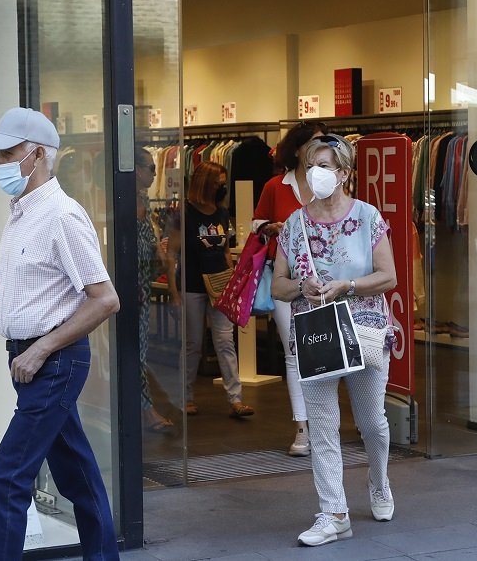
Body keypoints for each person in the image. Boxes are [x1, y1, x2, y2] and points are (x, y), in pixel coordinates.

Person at [0, 106, 121, 560]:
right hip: (32, 361)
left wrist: (41, 350)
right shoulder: (22, 213)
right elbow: (5, 290)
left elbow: (105, 299)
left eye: (7, 153)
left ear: (38, 155)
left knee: (6, 476)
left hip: (53, 362)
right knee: (76, 475)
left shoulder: (62, 216)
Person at [271, 134, 398, 546]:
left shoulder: (367, 217)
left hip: (363, 331)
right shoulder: (295, 223)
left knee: (372, 423)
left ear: (344, 173)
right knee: (323, 427)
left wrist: (347, 285)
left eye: (324, 166)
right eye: (311, 165)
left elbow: (389, 276)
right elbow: (277, 285)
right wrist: (300, 287)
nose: (315, 173)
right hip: (316, 335)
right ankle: (334, 513)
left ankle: (379, 482)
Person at [252, 120, 328, 456]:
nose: (319, 149)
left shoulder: (328, 182)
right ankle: (302, 426)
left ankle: (324, 421)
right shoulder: (275, 186)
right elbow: (256, 224)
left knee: (325, 349)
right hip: (284, 277)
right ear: (297, 149)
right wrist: (274, 227)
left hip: (326, 279)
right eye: (313, 142)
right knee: (294, 352)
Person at [165, 160, 253, 418]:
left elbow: (225, 251)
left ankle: (236, 399)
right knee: (193, 343)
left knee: (225, 341)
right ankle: (185, 396)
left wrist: (232, 284)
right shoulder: (184, 214)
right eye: (217, 184)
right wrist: (174, 293)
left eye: (222, 184)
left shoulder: (221, 212)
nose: (221, 188)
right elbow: (171, 255)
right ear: (205, 184)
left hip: (220, 285)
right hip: (192, 284)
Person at [135, 146, 173, 432]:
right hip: (131, 284)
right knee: (136, 351)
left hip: (141, 283)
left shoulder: (143, 201)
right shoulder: (126, 202)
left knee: (139, 349)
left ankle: (144, 408)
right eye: (150, 168)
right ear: (136, 170)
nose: (154, 173)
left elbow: (146, 240)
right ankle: (145, 410)